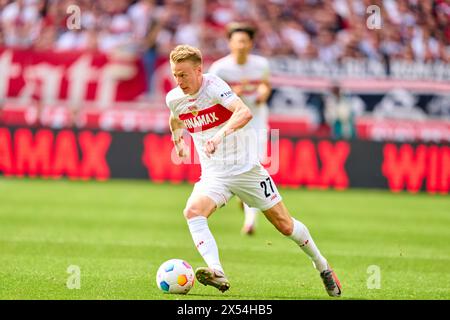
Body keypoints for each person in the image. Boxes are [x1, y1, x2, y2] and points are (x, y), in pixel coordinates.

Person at [166, 44, 342, 297]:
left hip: (247, 170)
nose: (179, 81)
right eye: (175, 75)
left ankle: (322, 265)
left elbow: (244, 112)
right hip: (215, 175)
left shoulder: (214, 86)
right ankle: (217, 271)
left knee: (285, 226)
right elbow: (175, 117)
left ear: (198, 70)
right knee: (192, 211)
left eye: (183, 74)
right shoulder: (174, 98)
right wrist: (178, 141)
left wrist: (220, 135)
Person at [208, 23, 271, 235]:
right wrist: (235, 92)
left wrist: (263, 92)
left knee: (255, 164)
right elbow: (211, 98)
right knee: (238, 167)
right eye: (238, 41)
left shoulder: (261, 64)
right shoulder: (220, 69)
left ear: (251, 43)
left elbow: (265, 84)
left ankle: (250, 221)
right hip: (232, 124)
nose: (242, 45)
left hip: (257, 122)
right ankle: (243, 198)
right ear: (230, 44)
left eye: (245, 41)